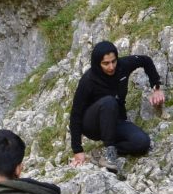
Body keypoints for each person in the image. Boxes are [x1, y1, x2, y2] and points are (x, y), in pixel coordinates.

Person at [68, 41, 165, 174]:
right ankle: (110, 156)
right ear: (98, 63)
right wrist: (77, 150)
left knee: (142, 142)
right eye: (106, 63)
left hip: (115, 120)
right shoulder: (88, 80)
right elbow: (75, 115)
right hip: (92, 124)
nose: (111, 66)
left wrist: (156, 87)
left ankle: (102, 152)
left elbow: (146, 61)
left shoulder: (123, 66)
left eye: (113, 61)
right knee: (109, 101)